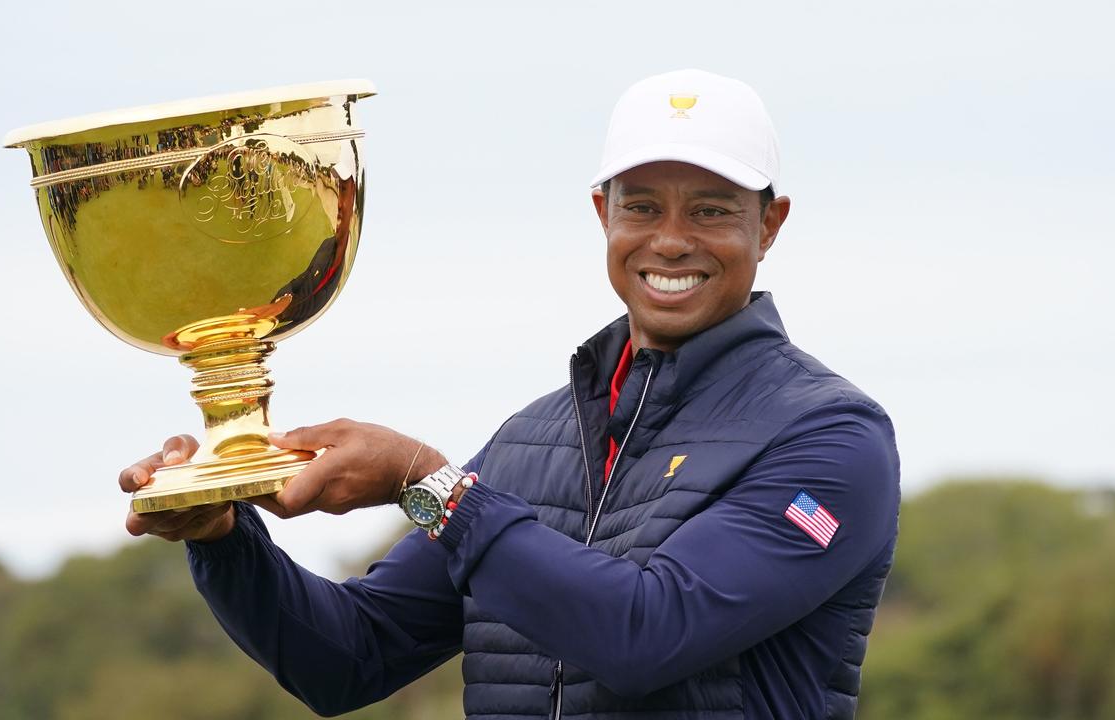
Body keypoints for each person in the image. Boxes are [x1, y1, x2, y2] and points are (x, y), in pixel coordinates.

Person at [119, 69, 901, 720]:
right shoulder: (533, 439)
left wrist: (426, 485)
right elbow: (349, 657)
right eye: (641, 206)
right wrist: (224, 541)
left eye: (712, 210)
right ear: (603, 215)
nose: (669, 239)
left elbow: (646, 635)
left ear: (770, 226)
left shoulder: (831, 439)